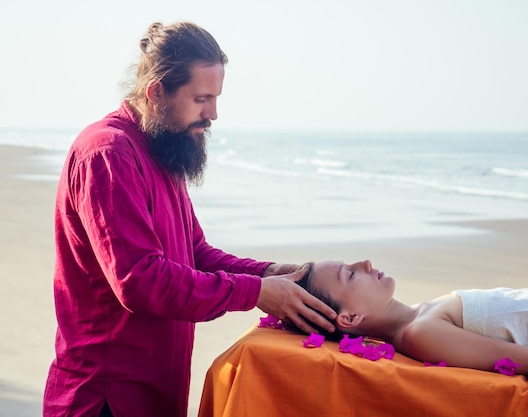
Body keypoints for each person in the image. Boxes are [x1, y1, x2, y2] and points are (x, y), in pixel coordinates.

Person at [43, 21, 335, 417]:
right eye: (201, 98)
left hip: (156, 392)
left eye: (215, 98)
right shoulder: (108, 153)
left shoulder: (165, 146)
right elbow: (141, 281)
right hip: (107, 399)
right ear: (156, 91)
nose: (213, 113)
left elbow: (194, 253)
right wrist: (256, 293)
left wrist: (269, 273)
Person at [296, 259, 528, 380]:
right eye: (350, 275)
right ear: (351, 317)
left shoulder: (418, 313)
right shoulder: (421, 333)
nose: (365, 263)